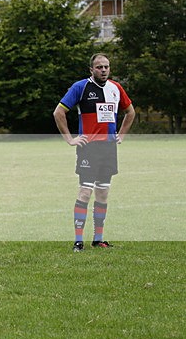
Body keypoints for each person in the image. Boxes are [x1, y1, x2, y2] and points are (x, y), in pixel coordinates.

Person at [53, 53, 135, 252]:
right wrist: (70, 139)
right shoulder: (80, 87)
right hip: (88, 148)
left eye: (106, 66)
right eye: (99, 67)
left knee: (103, 193)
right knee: (85, 191)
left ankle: (98, 239)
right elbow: (59, 112)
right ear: (91, 70)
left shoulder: (116, 89)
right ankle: (78, 241)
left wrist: (121, 135)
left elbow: (130, 112)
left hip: (109, 148)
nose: (103, 70)